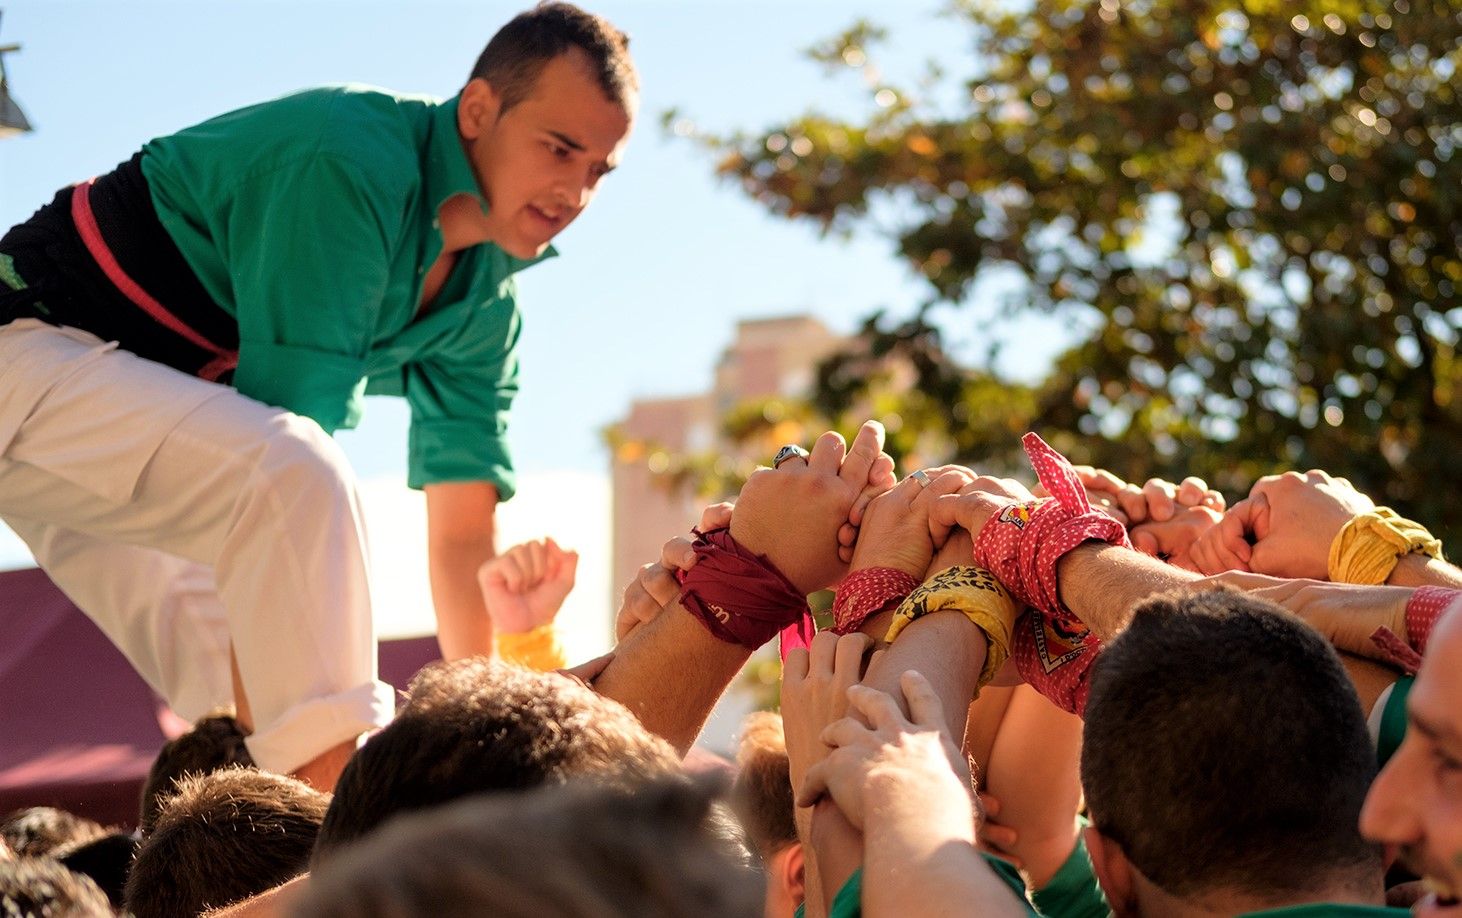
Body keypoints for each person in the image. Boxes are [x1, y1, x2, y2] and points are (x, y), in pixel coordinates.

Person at [0, 2, 637, 787]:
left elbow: (462, 540)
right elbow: (280, 476)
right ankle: (336, 860)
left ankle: (279, 858)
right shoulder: (352, 161)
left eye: (598, 170)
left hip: (102, 425)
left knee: (228, 710)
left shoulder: (487, 306)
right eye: (559, 148)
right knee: (291, 490)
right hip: (25, 350)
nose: (575, 189)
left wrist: (485, 764)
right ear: (478, 110)